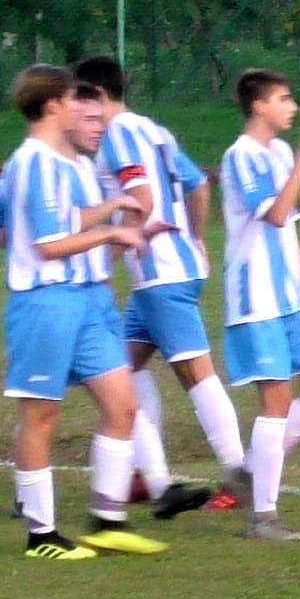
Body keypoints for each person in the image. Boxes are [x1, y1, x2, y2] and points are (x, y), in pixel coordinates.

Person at [0, 66, 171, 559]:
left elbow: (68, 220)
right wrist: (112, 232)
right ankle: (41, 535)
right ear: (51, 107)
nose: (83, 109)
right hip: (46, 303)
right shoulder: (33, 162)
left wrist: (116, 212)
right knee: (41, 417)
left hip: (88, 301)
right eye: (69, 100)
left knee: (123, 407)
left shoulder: (69, 163)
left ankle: (106, 520)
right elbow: (49, 244)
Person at [75, 56, 233, 516]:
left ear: (99, 96)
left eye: (81, 98)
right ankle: (157, 482)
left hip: (161, 271)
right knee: (122, 372)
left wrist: (104, 261)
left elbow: (139, 202)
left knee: (195, 374)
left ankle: (240, 470)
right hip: (165, 271)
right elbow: (199, 184)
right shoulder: (153, 129)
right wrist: (198, 237)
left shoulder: (119, 133)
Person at [219, 70, 300, 541]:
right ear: (258, 107)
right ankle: (263, 517)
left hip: (289, 297)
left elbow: (289, 229)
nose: (292, 107)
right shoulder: (241, 156)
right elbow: (272, 214)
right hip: (256, 300)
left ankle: (250, 473)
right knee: (277, 401)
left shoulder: (281, 153)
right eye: (284, 99)